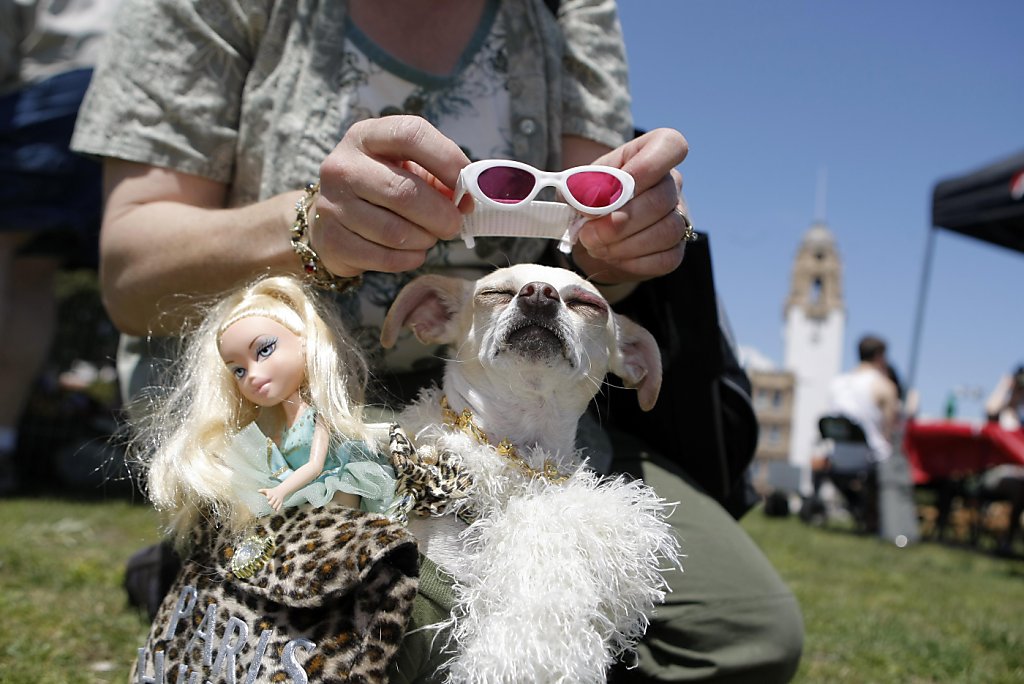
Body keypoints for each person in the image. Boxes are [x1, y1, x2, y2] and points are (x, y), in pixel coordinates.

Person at [71, 1, 803, 680]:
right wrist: (309, 229)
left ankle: (257, 584)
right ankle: (234, 567)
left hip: (515, 414)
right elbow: (130, 278)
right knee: (430, 609)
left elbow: (584, 257)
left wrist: (619, 251)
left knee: (742, 633)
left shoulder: (567, 9)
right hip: (291, 398)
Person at [134, 274, 396, 546]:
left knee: (338, 528)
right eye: (238, 370)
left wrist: (281, 489)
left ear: (305, 341)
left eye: (264, 350)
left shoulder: (317, 418)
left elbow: (315, 465)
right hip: (297, 497)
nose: (253, 376)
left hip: (330, 489)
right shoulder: (275, 427)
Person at [0, 0, 118, 494]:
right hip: (135, 90)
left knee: (15, 262)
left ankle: (3, 440)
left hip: (53, 91)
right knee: (127, 258)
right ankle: (151, 445)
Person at [984, 366, 1024, 431]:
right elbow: (990, 409)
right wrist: (1004, 386)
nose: (1020, 392)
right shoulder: (1004, 412)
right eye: (1019, 388)